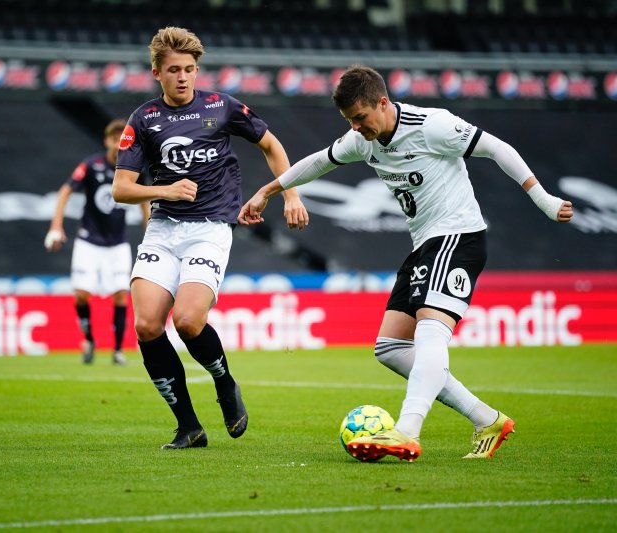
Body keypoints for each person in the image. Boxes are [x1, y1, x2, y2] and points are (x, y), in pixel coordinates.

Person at [239, 65, 573, 462]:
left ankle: (407, 431)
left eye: (360, 117)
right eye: (349, 121)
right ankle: (487, 419)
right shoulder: (363, 140)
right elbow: (318, 161)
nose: (356, 127)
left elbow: (498, 149)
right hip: (424, 246)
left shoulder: (432, 125)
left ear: (383, 103)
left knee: (431, 333)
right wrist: (267, 191)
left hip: (458, 237)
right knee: (391, 347)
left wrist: (544, 200)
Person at [113, 27, 309, 449]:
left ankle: (224, 382)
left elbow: (271, 145)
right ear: (157, 73)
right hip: (163, 229)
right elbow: (121, 189)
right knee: (146, 325)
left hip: (209, 229)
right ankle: (188, 426)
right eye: (174, 70)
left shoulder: (222, 107)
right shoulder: (143, 119)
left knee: (187, 320)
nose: (183, 77)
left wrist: (291, 194)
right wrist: (165, 190)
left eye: (189, 69)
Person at [45, 119, 149, 366]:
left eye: (122, 139)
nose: (118, 144)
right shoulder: (91, 165)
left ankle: (118, 350)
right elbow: (65, 191)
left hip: (118, 243)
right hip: (88, 241)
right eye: (114, 139)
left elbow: (145, 201)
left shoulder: (135, 169)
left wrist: (150, 233)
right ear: (106, 141)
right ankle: (89, 340)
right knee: (82, 295)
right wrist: (56, 225)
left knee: (121, 295)